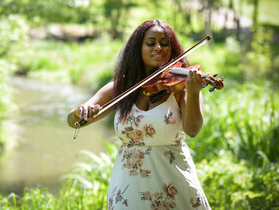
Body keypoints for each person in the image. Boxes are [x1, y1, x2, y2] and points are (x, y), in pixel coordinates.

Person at [67, 20, 223, 209]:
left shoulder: (181, 86)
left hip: (172, 185)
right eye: (151, 43)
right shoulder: (122, 86)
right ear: (138, 48)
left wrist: (194, 91)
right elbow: (75, 121)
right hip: (128, 189)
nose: (159, 47)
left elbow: (193, 130)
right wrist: (80, 113)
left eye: (164, 43)